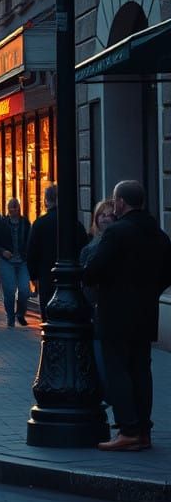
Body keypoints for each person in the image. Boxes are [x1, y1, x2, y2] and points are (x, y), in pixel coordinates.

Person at [82, 180, 171, 452]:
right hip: (146, 313)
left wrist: (92, 276)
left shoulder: (118, 232)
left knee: (118, 369)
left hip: (116, 313)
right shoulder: (158, 233)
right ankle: (143, 429)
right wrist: (149, 291)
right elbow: (168, 272)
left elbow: (94, 270)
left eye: (115, 201)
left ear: (120, 202)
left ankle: (128, 430)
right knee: (141, 369)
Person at [26, 183, 88, 322]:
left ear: (46, 200)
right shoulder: (75, 224)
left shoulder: (40, 224)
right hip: (71, 277)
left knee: (49, 316)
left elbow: (31, 252)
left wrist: (34, 276)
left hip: (46, 275)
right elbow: (83, 248)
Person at [81, 198, 117, 384]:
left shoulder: (119, 244)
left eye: (110, 214)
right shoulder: (89, 249)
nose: (105, 218)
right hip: (95, 311)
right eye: (102, 215)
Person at [0, 197, 32, 328]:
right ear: (8, 210)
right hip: (7, 261)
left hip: (22, 260)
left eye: (16, 209)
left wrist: (27, 253)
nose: (14, 211)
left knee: (25, 289)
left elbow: (30, 239)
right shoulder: (2, 223)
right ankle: (10, 315)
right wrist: (2, 251)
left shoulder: (25, 223)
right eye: (12, 209)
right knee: (9, 290)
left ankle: (20, 313)